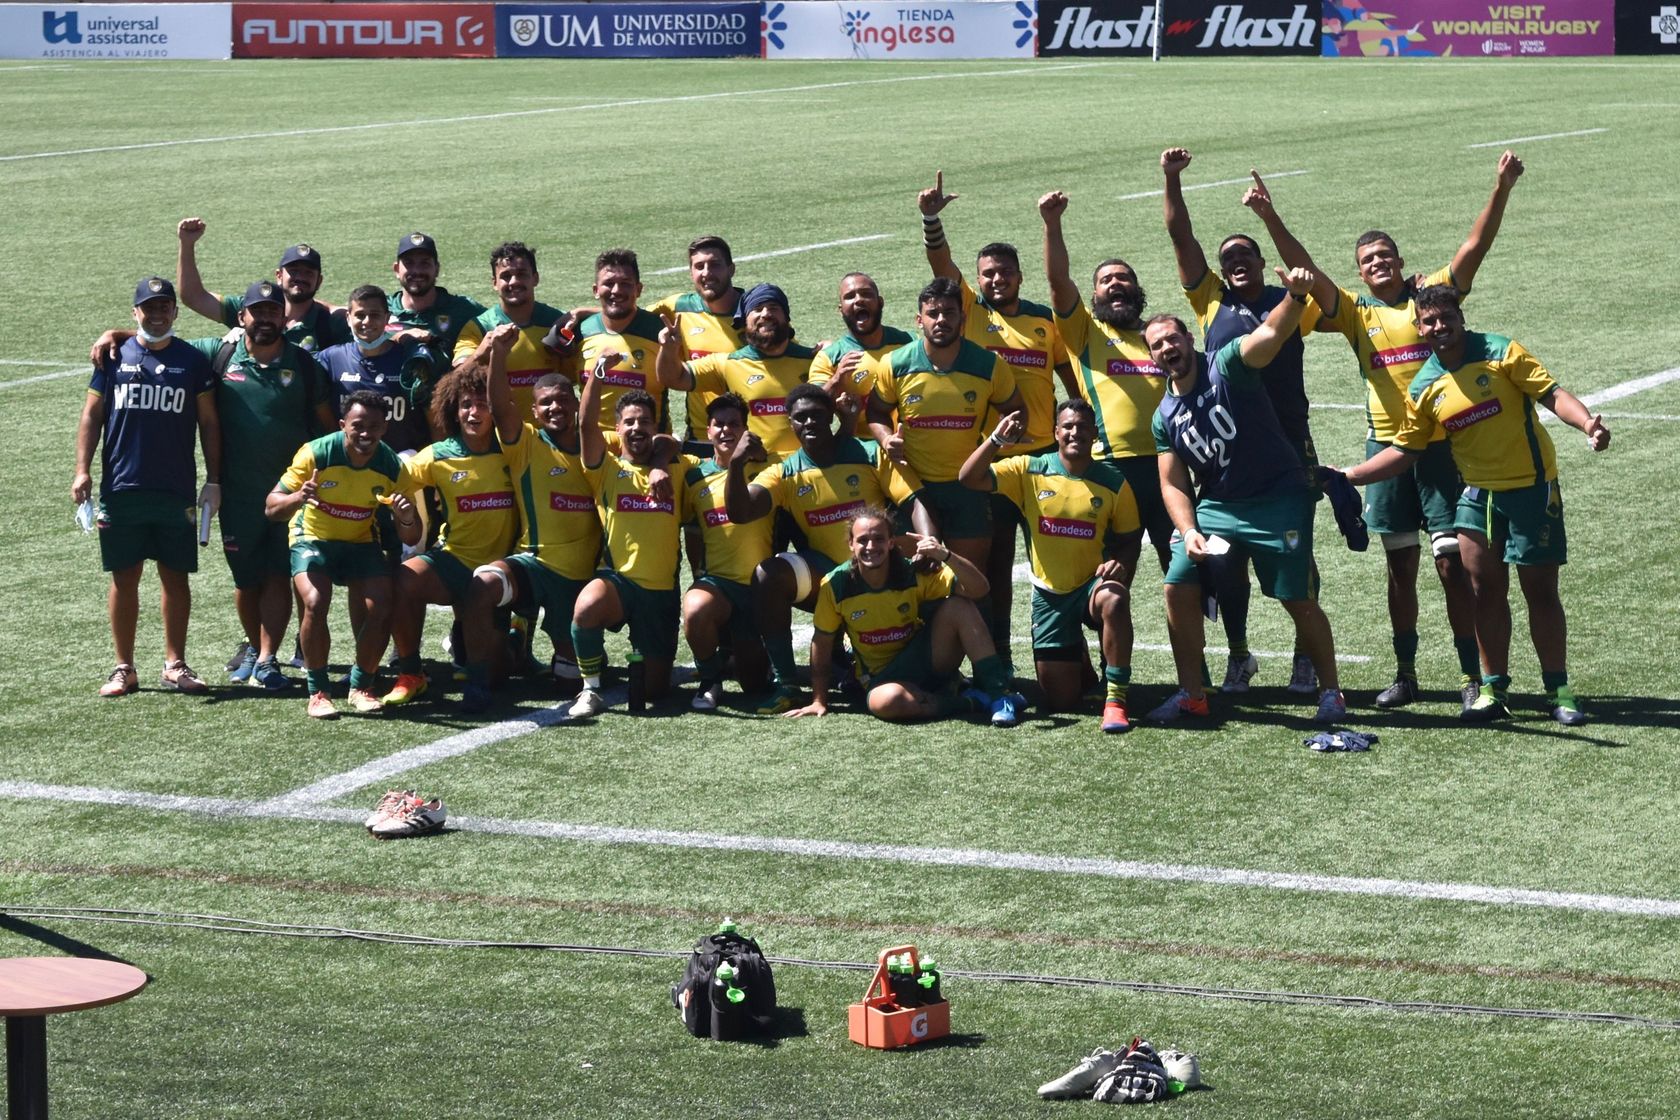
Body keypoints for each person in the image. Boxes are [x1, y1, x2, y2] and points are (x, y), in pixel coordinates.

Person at [1242, 152, 1524, 710]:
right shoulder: (1352, 311)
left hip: (1446, 451)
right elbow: (1309, 272)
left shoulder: (1431, 299)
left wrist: (1502, 186)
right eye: (1367, 260)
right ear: (1361, 271)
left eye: (1384, 256)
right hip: (1387, 449)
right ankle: (1407, 673)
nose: (1377, 264)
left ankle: (1472, 678)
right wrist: (1269, 218)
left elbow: (1474, 248)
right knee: (1400, 568)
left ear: (1400, 261)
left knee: (1450, 566)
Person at [1336, 286, 1607, 726]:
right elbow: (1406, 449)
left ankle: (1558, 689)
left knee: (1540, 591)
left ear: (1460, 317)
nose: (1439, 327)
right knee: (1483, 591)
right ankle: (1493, 689)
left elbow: (1551, 394)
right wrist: (1348, 475)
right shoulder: (1424, 385)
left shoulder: (1501, 352)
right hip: (1478, 495)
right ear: (1420, 329)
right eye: (1430, 322)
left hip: (1531, 489)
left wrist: (1587, 425)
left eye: (1446, 317)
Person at [1145, 267, 1347, 726]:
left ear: (1188, 340)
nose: (1167, 348)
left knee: (1296, 597)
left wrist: (1296, 297)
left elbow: (1271, 333)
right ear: (1151, 355)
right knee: (1177, 583)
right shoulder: (1164, 414)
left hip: (1280, 497)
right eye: (1157, 345)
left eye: (1172, 338)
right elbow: (1173, 483)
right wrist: (1188, 529)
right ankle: (1191, 693)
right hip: (1220, 506)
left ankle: (1331, 692)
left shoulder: (1226, 362)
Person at [1161, 148, 1322, 694]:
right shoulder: (1210, 300)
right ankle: (1238, 654)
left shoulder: (1291, 300)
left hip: (1287, 442)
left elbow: (1311, 277)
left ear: (1258, 262)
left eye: (1245, 254)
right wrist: (1172, 183)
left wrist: (1268, 217)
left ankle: (1306, 657)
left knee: (1298, 557)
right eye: (1227, 255)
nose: (1235, 261)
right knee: (1227, 562)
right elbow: (1182, 240)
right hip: (1225, 445)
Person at [918, 171, 1079, 664]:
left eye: (1004, 272)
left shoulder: (1043, 321)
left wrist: (1082, 422)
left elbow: (1070, 382)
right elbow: (940, 266)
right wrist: (930, 220)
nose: (995, 279)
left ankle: (1065, 656)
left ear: (1019, 276)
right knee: (991, 566)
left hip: (1044, 460)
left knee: (1055, 562)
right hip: (992, 465)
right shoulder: (970, 310)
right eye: (987, 273)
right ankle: (1001, 656)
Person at [722, 383, 933, 713]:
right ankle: (788, 685)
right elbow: (740, 511)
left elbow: (915, 501)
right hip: (830, 577)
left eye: (817, 415)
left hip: (882, 570)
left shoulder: (867, 453)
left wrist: (928, 544)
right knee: (768, 575)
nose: (809, 423)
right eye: (800, 418)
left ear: (832, 415)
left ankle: (945, 675)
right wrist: (735, 463)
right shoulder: (785, 471)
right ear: (789, 423)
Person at [73, 277, 221, 697]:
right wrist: (82, 470)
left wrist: (213, 479)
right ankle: (124, 667)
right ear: (135, 311)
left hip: (175, 489)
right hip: (121, 487)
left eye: (164, 307)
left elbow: (209, 422)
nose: (156, 315)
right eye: (148, 307)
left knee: (176, 578)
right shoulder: (113, 357)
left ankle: (175, 663)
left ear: (175, 312)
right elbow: (91, 417)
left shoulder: (192, 361)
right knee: (125, 578)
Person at [864, 277, 1023, 665]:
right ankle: (917, 666)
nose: (941, 320)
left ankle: (994, 668)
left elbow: (1016, 414)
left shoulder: (988, 365)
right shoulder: (896, 364)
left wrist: (993, 443)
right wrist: (886, 440)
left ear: (962, 318)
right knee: (911, 580)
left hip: (966, 490)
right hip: (912, 491)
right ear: (919, 319)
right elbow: (876, 413)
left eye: (949, 313)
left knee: (973, 582)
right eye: (932, 313)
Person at [186, 280, 335, 690]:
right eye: (258, 311)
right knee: (245, 578)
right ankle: (256, 647)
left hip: (290, 493)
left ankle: (268, 657)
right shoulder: (220, 355)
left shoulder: (305, 365)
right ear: (242, 317)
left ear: (284, 317)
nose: (266, 317)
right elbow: (166, 345)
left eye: (274, 310)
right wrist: (121, 335)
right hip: (237, 492)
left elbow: (327, 427)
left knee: (276, 572)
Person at [960, 400, 1141, 731]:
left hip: (1091, 587)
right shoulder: (1029, 469)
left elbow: (1130, 539)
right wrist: (997, 440)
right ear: (1055, 432)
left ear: (1094, 435)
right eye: (1068, 426)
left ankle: (1116, 699)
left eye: (1083, 427)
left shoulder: (1113, 482)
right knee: (1061, 700)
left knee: (1114, 599)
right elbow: (969, 477)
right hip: (1050, 595)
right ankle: (1080, 660)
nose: (1075, 432)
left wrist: (1121, 564)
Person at [1037, 191, 1172, 586]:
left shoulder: (1159, 336)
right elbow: (1058, 279)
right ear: (1093, 294)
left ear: (1137, 288)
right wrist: (1052, 223)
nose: (1115, 283)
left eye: (1123, 277)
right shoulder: (1084, 332)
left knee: (1184, 572)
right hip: (1110, 467)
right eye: (1105, 280)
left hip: (1167, 465)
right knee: (1109, 578)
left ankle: (1203, 649)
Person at [784, 508, 1019, 725]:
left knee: (960, 606)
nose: (870, 546)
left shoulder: (912, 572)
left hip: (926, 659)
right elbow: (822, 642)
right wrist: (819, 700)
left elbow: (980, 590)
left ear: (890, 542)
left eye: (878, 539)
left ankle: (1000, 695)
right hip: (881, 678)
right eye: (863, 540)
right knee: (886, 704)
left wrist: (945, 555)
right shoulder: (836, 585)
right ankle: (970, 701)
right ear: (851, 544)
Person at [382, 356, 521, 708]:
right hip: (455, 562)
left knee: (501, 675)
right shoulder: (438, 456)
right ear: (452, 410)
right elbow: (389, 478)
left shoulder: (514, 452)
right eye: (466, 405)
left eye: (483, 404)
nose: (474, 413)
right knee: (402, 578)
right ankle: (411, 672)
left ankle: (491, 655)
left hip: (503, 571)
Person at [265, 390, 409, 719]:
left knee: (382, 604)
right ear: (343, 424)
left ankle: (361, 686)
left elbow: (411, 533)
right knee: (315, 602)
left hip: (360, 540)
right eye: (358, 425)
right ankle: (318, 691)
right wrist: (300, 496)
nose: (365, 434)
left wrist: (406, 517)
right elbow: (272, 508)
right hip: (312, 536)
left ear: (384, 429)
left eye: (374, 426)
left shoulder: (391, 465)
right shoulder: (316, 454)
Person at [568, 369, 684, 718]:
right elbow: (586, 425)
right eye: (629, 422)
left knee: (655, 690)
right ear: (617, 429)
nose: (637, 428)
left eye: (645, 422)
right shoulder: (605, 468)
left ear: (654, 427)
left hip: (661, 592)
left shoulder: (678, 468)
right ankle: (590, 689)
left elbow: (674, 440)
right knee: (587, 607)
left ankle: (643, 652)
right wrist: (597, 377)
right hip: (620, 582)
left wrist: (661, 463)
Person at [681, 394, 774, 711]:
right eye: (718, 424)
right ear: (707, 431)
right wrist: (698, 577)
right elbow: (692, 532)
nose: (726, 431)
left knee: (754, 686)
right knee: (694, 608)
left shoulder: (768, 467)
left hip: (760, 589)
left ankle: (751, 653)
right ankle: (709, 679)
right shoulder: (694, 476)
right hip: (719, 584)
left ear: (746, 429)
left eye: (734, 424)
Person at [657, 282, 814, 457]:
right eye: (758, 308)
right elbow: (673, 378)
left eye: (773, 307)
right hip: (752, 473)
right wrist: (668, 349)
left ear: (787, 318)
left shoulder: (813, 360)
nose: (766, 314)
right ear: (745, 321)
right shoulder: (727, 364)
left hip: (804, 472)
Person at [175, 219, 349, 352]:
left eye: (308, 273)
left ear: (319, 281)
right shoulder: (253, 308)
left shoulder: (332, 321)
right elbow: (193, 297)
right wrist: (187, 244)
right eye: (294, 270)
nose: (300, 277)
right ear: (279, 276)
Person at [452, 242, 568, 419]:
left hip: (548, 435)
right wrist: (481, 354)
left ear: (535, 278)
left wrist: (581, 312)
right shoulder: (479, 327)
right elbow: (454, 383)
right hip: (496, 437)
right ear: (494, 283)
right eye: (506, 276)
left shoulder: (555, 322)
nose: (514, 281)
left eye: (521, 274)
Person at [651, 235, 744, 440]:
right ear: (691, 273)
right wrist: (582, 312)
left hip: (746, 436)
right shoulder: (679, 308)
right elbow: (628, 315)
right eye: (699, 266)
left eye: (715, 265)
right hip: (699, 437)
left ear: (731, 269)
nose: (707, 273)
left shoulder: (754, 314)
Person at [572, 248, 670, 434]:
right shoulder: (580, 332)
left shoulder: (659, 331)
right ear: (596, 290)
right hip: (593, 452)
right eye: (609, 283)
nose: (616, 291)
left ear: (638, 289)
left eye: (625, 283)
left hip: (647, 451)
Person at [807, 272, 912, 438]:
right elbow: (811, 409)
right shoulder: (829, 357)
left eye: (866, 294)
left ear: (880, 302)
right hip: (860, 451)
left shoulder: (910, 343)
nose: (858, 300)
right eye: (850, 296)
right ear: (840, 310)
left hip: (910, 443)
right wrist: (836, 380)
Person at [386, 231, 487, 380]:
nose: (417, 271)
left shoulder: (463, 309)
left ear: (437, 268)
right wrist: (399, 337)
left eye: (425, 263)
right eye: (409, 263)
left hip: (445, 398)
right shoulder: (379, 309)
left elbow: (498, 322)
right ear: (396, 269)